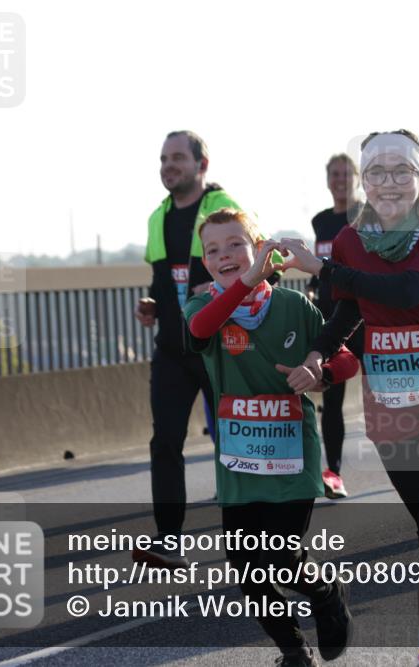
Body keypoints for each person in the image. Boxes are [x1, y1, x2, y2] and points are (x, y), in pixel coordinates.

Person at [279, 130, 419, 667]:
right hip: (392, 399)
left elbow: (407, 292)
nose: (389, 182)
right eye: (376, 172)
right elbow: (349, 310)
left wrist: (321, 268)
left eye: (402, 170)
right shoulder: (351, 239)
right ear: (365, 180)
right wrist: (317, 356)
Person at [185, 208, 357, 667]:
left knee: (282, 559)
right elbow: (199, 332)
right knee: (248, 571)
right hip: (240, 462)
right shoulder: (202, 308)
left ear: (259, 248)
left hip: (291, 457)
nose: (224, 255)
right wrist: (246, 281)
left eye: (235, 244)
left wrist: (319, 371)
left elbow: (347, 360)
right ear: (205, 262)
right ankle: (294, 652)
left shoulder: (293, 306)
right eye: (212, 250)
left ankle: (325, 593)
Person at [132, 130, 240, 569]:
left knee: (234, 439)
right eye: (163, 159)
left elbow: (257, 270)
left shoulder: (224, 209)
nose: (168, 166)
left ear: (202, 164)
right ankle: (169, 540)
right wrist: (152, 304)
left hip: (220, 347)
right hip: (172, 349)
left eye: (177, 157)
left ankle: (249, 538)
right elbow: (164, 281)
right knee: (164, 442)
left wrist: (217, 289)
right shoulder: (157, 217)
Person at [309, 154, 364, 499]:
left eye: (346, 174)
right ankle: (335, 474)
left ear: (357, 178)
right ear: (327, 179)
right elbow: (321, 267)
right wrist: (313, 290)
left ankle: (417, 466)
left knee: (386, 398)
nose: (340, 180)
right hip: (333, 319)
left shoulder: (367, 217)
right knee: (331, 401)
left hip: (365, 317)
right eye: (334, 174)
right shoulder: (320, 221)